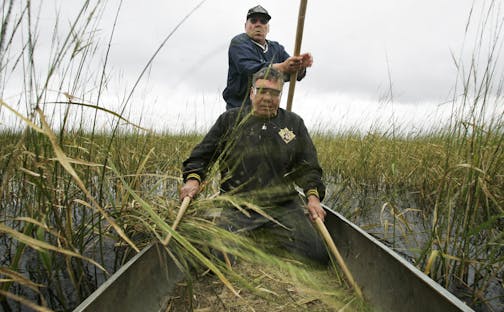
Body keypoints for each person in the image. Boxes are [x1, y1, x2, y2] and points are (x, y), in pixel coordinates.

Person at [180, 66, 328, 264]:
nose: (267, 98)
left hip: (282, 204)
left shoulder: (293, 123)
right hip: (238, 204)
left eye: (274, 93)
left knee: (317, 257)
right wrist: (192, 179)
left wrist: (313, 198)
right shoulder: (229, 120)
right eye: (262, 91)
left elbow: (308, 166)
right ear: (251, 93)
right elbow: (202, 156)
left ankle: (269, 235)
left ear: (280, 95)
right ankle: (252, 237)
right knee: (219, 260)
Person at [222, 5, 314, 110]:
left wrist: (300, 65)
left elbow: (293, 73)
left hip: (268, 110)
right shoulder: (239, 43)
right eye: (253, 21)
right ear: (245, 26)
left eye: (263, 21)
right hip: (239, 109)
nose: (258, 25)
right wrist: (283, 67)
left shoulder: (276, 48)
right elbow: (250, 70)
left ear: (268, 27)